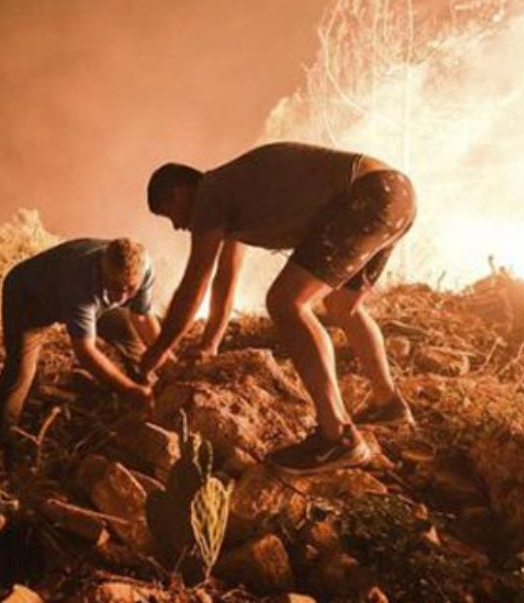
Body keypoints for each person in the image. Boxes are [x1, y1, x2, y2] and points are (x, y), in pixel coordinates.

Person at [140, 141, 416, 475]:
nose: (176, 226)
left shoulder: (209, 196)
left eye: (169, 214)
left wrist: (158, 350)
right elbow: (225, 279)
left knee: (286, 302)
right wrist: (210, 343)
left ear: (179, 193)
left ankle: (337, 435)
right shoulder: (232, 194)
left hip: (368, 196)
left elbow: (195, 281)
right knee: (342, 305)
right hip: (396, 194)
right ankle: (388, 403)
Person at [0, 237, 162, 450]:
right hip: (29, 298)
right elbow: (85, 351)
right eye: (116, 286)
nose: (122, 296)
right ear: (103, 270)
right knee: (20, 371)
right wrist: (128, 389)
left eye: (130, 288)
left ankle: (148, 394)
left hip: (92, 297)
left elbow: (141, 317)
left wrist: (167, 357)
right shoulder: (80, 279)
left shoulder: (143, 267)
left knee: (126, 329)